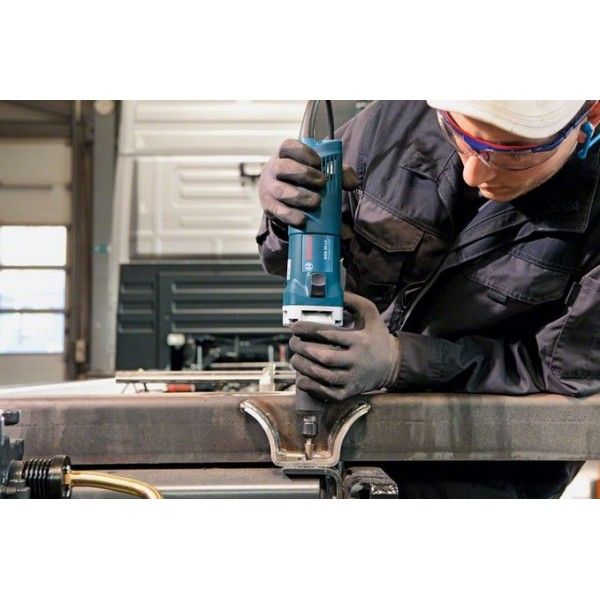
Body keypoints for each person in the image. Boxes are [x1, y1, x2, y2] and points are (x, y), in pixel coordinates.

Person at [256, 100, 600, 498]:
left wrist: (402, 361)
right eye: (460, 134)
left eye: (512, 153)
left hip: (484, 476)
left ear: (589, 119)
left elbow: (563, 374)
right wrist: (286, 216)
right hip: (351, 449)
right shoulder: (391, 124)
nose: (473, 174)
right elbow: (284, 257)